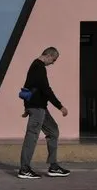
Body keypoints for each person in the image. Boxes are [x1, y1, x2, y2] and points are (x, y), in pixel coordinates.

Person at [18, 47, 70, 179]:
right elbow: (46, 90)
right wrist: (60, 106)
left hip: (40, 108)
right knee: (32, 136)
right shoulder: (39, 67)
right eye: (53, 59)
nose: (53, 63)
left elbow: (27, 87)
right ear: (48, 55)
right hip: (37, 109)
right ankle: (24, 169)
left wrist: (26, 107)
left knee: (53, 131)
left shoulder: (36, 66)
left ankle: (53, 166)